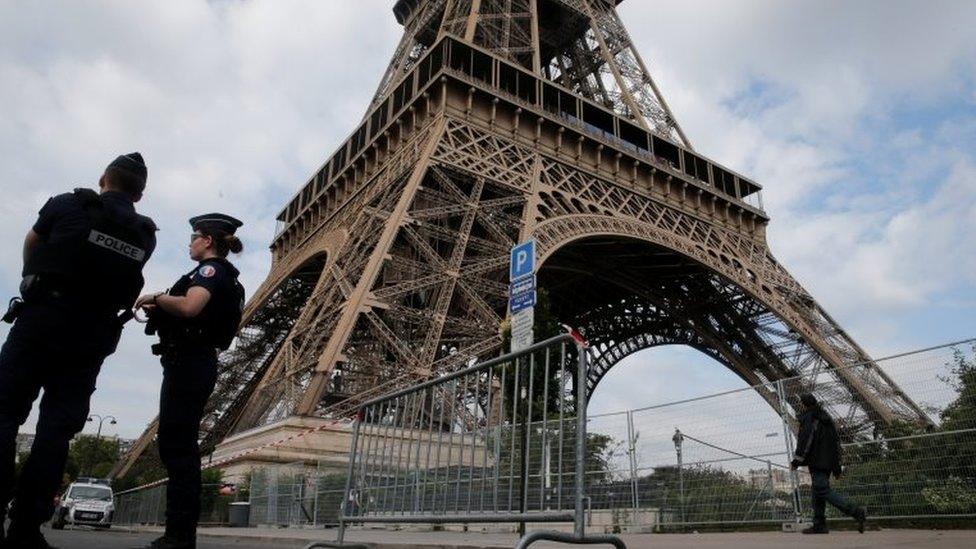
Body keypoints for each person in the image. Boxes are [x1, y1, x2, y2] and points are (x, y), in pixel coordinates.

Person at [0, 153, 157, 549]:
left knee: (4, 413)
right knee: (56, 432)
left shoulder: (68, 204)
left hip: (43, 317)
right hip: (91, 335)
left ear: (103, 178)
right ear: (140, 194)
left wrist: (33, 281)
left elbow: (33, 243)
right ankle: (26, 526)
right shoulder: (144, 233)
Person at [135, 214, 245, 549]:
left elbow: (191, 306)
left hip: (189, 361)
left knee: (177, 446)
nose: (190, 243)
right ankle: (180, 532)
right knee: (178, 445)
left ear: (208, 240)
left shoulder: (210, 272)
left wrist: (155, 297)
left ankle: (179, 534)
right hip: (196, 360)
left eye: (194, 237)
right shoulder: (229, 278)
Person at [790, 392, 867, 534]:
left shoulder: (810, 418)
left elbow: (806, 441)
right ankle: (819, 525)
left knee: (822, 490)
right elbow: (835, 445)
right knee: (817, 493)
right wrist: (837, 468)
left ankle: (856, 511)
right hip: (828, 462)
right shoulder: (827, 419)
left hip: (817, 461)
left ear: (803, 404)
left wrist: (796, 461)